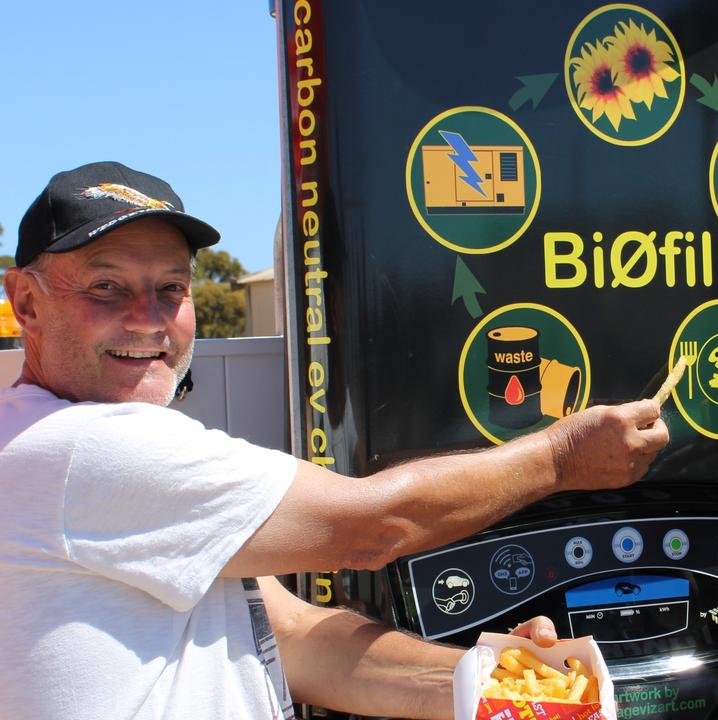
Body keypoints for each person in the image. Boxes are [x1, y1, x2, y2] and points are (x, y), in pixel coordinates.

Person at [0, 161, 670, 719]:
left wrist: (490, 680)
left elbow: (296, 639)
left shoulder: (71, 454)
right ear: (25, 302)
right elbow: (373, 525)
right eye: (106, 286)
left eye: (171, 287)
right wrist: (560, 458)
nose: (148, 319)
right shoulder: (78, 446)